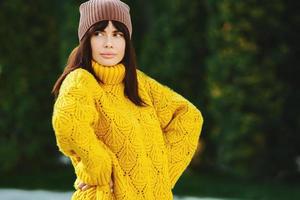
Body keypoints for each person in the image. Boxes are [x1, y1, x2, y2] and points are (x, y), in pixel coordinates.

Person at [51, 0, 204, 199]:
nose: (109, 43)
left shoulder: (140, 83)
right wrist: (98, 169)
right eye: (98, 33)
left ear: (126, 41)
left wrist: (159, 176)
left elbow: (189, 117)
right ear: (85, 40)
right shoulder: (81, 80)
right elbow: (69, 125)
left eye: (117, 34)